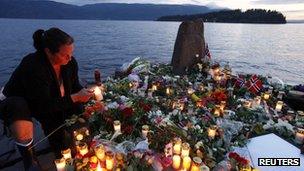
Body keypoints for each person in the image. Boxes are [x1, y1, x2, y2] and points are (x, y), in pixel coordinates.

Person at [0, 28, 94, 170]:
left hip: (48, 101)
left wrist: (87, 98)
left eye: (71, 53)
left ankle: (69, 139)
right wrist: (75, 98)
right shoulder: (33, 66)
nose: (70, 58)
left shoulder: (70, 63)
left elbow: (74, 88)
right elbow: (42, 107)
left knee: (75, 122)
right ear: (48, 51)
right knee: (20, 107)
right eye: (65, 55)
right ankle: (30, 160)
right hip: (17, 103)